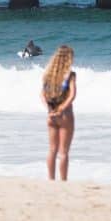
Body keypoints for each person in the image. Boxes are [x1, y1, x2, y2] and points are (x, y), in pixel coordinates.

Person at [41, 45, 77, 181]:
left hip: (51, 116)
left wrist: (49, 110)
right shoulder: (70, 74)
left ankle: (51, 179)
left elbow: (42, 94)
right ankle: (63, 181)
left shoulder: (48, 74)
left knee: (52, 150)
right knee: (63, 152)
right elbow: (72, 95)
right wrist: (62, 108)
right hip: (65, 115)